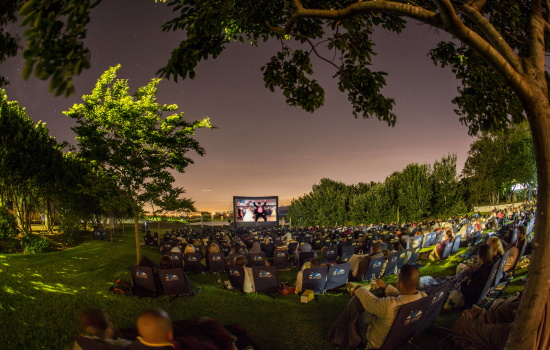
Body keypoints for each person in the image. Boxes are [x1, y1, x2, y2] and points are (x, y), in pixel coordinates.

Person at [327, 265, 427, 349]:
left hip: (376, 342)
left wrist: (358, 288)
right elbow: (403, 296)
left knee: (359, 304)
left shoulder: (390, 305)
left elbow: (371, 302)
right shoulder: (423, 297)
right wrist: (385, 286)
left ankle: (341, 336)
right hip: (400, 335)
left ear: (400, 284)